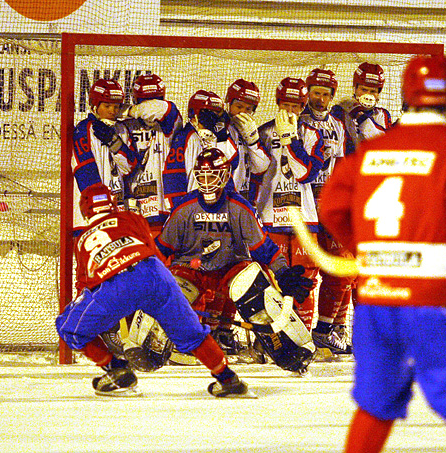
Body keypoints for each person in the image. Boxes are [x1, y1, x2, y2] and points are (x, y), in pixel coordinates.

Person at [319, 54, 446, 453]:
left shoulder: (367, 153)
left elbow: (330, 207)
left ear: (405, 95)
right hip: (432, 299)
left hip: (375, 300)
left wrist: (362, 249)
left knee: (376, 405)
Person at [56, 183, 251, 398]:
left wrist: (89, 313)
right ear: (112, 204)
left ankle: (116, 371)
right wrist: (169, 298)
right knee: (192, 333)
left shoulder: (83, 239)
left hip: (114, 283)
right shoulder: (131, 217)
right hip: (154, 273)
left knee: (67, 327)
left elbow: (84, 285)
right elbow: (155, 252)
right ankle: (228, 380)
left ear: (85, 211)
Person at [155, 148, 314, 371]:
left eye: (212, 176)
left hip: (228, 272)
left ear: (225, 175)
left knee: (254, 285)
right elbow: (160, 248)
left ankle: (285, 349)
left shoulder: (239, 207)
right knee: (171, 286)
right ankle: (157, 346)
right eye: (202, 176)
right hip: (192, 270)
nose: (207, 182)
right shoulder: (184, 207)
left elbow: (264, 249)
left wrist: (283, 273)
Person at [256, 77, 325, 331]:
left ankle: (302, 333)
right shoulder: (262, 133)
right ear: (277, 103)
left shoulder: (313, 135)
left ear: (304, 105)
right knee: (271, 279)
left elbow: (305, 173)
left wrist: (291, 142)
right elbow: (255, 171)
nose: (291, 111)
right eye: (286, 105)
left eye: (296, 106)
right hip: (270, 216)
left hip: (304, 219)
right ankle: (272, 337)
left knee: (305, 281)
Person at [299, 68, 355, 353]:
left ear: (332, 96)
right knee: (304, 273)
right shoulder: (296, 121)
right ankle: (294, 332)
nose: (319, 99)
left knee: (342, 268)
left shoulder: (338, 125)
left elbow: (343, 167)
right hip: (301, 206)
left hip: (329, 206)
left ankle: (329, 328)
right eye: (315, 93)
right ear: (307, 93)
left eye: (325, 94)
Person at [72, 78, 138, 233]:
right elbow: (84, 172)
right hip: (88, 217)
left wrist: (114, 143)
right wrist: (99, 207)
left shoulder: (122, 130)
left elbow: (129, 167)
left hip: (117, 212)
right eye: (107, 105)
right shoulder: (83, 130)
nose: (112, 111)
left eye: (116, 106)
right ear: (95, 106)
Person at [121, 73, 183, 235]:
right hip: (134, 205)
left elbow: (154, 109)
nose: (150, 105)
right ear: (136, 99)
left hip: (164, 205)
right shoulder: (125, 125)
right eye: (144, 100)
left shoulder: (172, 120)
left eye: (156, 99)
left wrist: (130, 110)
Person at [224, 79, 271, 202]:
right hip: (224, 199)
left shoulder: (251, 130)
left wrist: (253, 141)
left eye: (248, 109)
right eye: (239, 107)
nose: (242, 113)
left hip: (243, 198)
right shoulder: (221, 129)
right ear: (229, 103)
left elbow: (260, 167)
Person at [334, 62, 393, 145]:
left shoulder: (381, 114)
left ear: (378, 94)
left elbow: (382, 144)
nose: (368, 95)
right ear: (355, 88)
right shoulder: (341, 110)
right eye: (364, 90)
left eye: (373, 91)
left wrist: (360, 116)